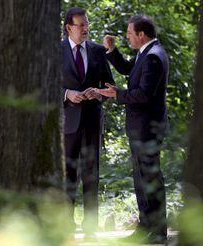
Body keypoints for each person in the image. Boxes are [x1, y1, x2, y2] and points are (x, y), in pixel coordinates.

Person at [95, 15, 169, 244]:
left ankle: (157, 231)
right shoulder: (146, 52)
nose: (127, 37)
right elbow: (129, 70)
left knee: (150, 178)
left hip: (148, 127)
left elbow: (144, 95)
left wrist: (117, 94)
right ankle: (145, 225)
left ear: (141, 35)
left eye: (129, 33)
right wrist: (112, 51)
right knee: (141, 178)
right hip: (140, 127)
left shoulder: (154, 57)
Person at [61, 7, 114, 236]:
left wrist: (99, 93)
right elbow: (44, 86)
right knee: (68, 175)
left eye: (87, 24)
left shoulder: (98, 51)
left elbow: (109, 86)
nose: (85, 28)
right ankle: (65, 226)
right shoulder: (55, 51)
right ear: (68, 28)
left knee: (92, 174)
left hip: (92, 121)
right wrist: (66, 94)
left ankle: (91, 227)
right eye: (80, 25)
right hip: (67, 122)